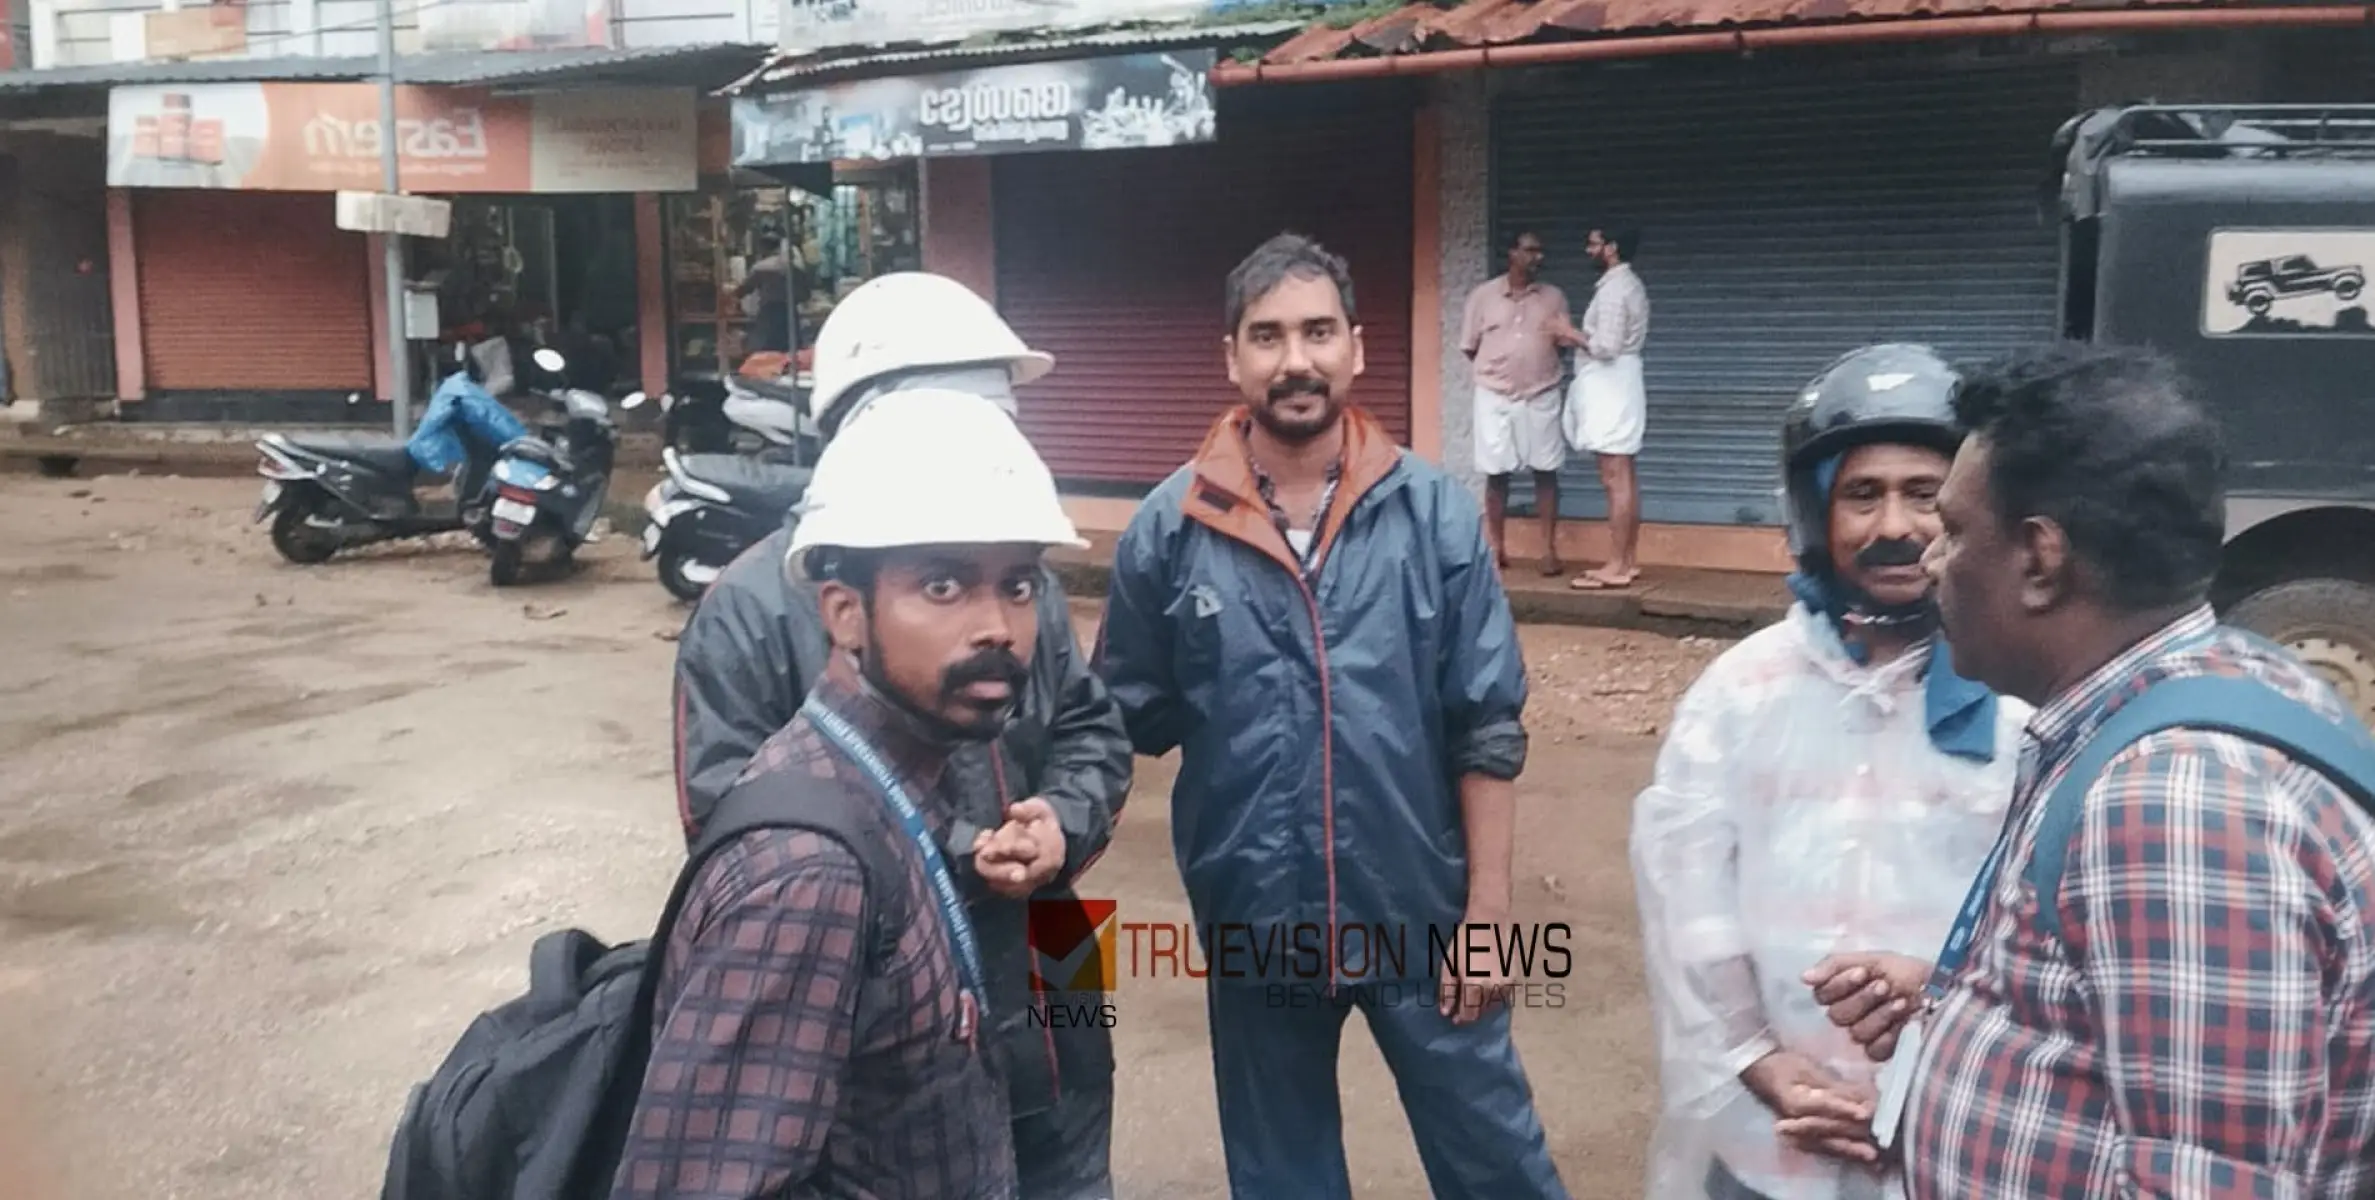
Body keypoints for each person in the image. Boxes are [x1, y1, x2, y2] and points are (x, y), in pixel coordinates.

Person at [1813, 342, 2375, 1198]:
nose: (1929, 561)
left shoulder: (2177, 806)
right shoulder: (2220, 679)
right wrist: (1976, 998)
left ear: (2040, 559)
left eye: (1955, 530)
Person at [1096, 232, 1567, 1199]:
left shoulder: (1435, 516)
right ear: (1232, 358)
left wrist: (1488, 914)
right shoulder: (1169, 530)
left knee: (1498, 1165)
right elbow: (1114, 722)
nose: (1295, 360)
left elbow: (1485, 724)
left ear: (1356, 347)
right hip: (1254, 925)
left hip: (1424, 917)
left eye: (1317, 332)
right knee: (1282, 1177)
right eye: (1266, 337)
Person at [669, 271, 1132, 1200]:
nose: (999, 442)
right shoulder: (751, 611)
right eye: (976, 413)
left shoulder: (1020, 586)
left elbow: (1089, 726)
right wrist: (961, 853)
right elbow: (731, 830)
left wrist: (1060, 826)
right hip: (890, 1061)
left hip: (1057, 992)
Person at [1630, 345, 2030, 1200]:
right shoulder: (1741, 691)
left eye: (1924, 495)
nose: (1894, 526)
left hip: (1953, 1140)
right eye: (1861, 494)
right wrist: (1754, 1059)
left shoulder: (2021, 700)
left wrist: (1924, 1090)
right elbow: (1687, 903)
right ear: (1814, 512)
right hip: (1768, 1140)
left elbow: (2043, 936)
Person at [1462, 229, 1576, 575]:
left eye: (1540, 251)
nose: (1537, 257)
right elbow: (1470, 346)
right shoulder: (1483, 297)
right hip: (1494, 394)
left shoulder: (1554, 297)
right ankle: (1497, 547)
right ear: (1511, 253)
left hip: (1541, 393)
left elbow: (1563, 343)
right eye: (1529, 250)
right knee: (1497, 474)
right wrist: (1503, 372)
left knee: (1546, 470)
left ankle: (1548, 550)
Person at [1564, 227, 1650, 592]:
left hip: (1612, 384)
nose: (1589, 250)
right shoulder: (1626, 285)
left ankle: (1616, 564)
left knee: (1614, 475)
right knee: (1624, 473)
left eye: (1595, 243)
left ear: (1612, 249)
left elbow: (1606, 346)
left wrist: (1566, 332)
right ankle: (1626, 560)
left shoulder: (1616, 290)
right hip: (1619, 384)